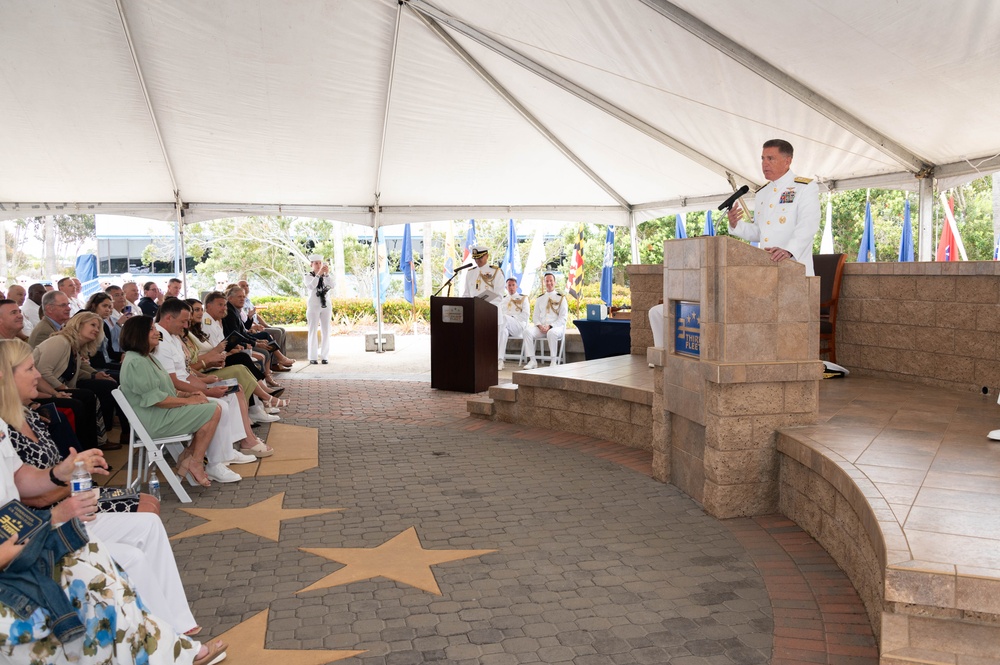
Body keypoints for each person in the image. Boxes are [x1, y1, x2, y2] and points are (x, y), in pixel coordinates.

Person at [154, 298, 268, 473]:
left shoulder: (173, 337)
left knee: (231, 390)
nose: (186, 325)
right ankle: (217, 461)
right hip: (177, 395)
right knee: (220, 404)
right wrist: (207, 390)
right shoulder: (160, 340)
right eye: (184, 321)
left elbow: (185, 373)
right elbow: (175, 381)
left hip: (188, 385)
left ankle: (230, 449)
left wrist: (207, 384)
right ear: (169, 318)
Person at [118, 315, 223, 487]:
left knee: (209, 405)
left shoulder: (145, 357)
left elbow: (164, 390)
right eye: (151, 329)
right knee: (213, 410)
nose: (156, 332)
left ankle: (189, 456)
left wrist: (188, 396)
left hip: (161, 414)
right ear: (138, 334)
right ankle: (194, 460)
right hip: (155, 421)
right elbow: (156, 400)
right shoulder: (136, 362)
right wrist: (190, 402)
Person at [727, 138, 821, 277]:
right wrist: (736, 225)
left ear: (787, 161)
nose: (765, 164)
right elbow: (761, 231)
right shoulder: (762, 192)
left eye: (771, 158)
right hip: (768, 272)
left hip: (795, 269)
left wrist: (789, 251)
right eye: (763, 159)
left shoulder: (804, 187)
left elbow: (808, 225)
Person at [32, 311, 123, 451]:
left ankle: (95, 443)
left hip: (58, 387)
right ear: (79, 325)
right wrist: (62, 388)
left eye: (98, 327)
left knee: (97, 390)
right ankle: (86, 447)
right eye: (92, 325)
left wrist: (94, 374)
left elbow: (77, 369)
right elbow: (42, 372)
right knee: (82, 400)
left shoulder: (75, 346)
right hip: (41, 390)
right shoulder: (60, 341)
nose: (97, 329)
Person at [185, 298, 284, 425]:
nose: (224, 308)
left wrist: (227, 351)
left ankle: (259, 405)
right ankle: (263, 400)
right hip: (205, 370)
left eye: (225, 305)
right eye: (196, 310)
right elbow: (199, 358)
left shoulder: (199, 329)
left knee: (244, 363)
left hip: (213, 364)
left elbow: (237, 335)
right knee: (242, 363)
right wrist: (221, 353)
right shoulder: (205, 323)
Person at [203, 291, 283, 392]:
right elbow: (216, 348)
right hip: (213, 362)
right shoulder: (207, 322)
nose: (224, 308)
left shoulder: (215, 320)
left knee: (245, 358)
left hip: (221, 356)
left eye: (224, 305)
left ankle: (263, 392)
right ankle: (264, 392)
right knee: (243, 358)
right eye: (220, 305)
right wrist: (233, 351)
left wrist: (235, 348)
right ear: (209, 306)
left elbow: (225, 341)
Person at [222, 285, 294, 370]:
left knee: (273, 335)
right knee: (268, 339)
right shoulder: (230, 312)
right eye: (239, 297)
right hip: (239, 342)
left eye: (243, 297)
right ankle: (277, 362)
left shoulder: (235, 310)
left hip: (246, 335)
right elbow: (237, 334)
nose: (242, 299)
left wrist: (251, 320)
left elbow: (242, 330)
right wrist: (256, 342)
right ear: (230, 298)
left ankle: (278, 361)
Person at [462, 245, 505, 360]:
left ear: (486, 256)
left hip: (492, 313)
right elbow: (466, 293)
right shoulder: (470, 273)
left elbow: (499, 295)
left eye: (480, 257)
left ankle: (498, 361)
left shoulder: (496, 272)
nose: (477, 260)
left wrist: (480, 304)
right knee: (478, 343)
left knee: (495, 341)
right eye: (475, 258)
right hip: (475, 315)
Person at [524, 272, 568, 370]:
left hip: (556, 328)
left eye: (551, 281)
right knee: (527, 332)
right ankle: (532, 361)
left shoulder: (561, 298)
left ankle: (553, 361)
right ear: (544, 282)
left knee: (551, 333)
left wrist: (551, 326)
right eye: (546, 281)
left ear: (555, 282)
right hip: (542, 328)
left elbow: (563, 318)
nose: (549, 283)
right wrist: (539, 325)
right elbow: (535, 316)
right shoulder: (540, 298)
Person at [238, 279, 287, 354]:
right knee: (277, 332)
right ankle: (276, 361)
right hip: (252, 329)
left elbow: (256, 316)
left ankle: (282, 356)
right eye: (243, 286)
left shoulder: (248, 300)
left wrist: (267, 326)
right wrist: (255, 326)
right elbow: (244, 322)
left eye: (247, 285)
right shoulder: (240, 304)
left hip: (256, 326)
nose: (246, 287)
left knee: (282, 330)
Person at [305, 255, 332, 365]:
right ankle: (313, 357)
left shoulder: (326, 275)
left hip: (326, 305)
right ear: (311, 264)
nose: (318, 265)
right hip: (313, 306)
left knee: (326, 330)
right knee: (313, 330)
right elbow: (311, 286)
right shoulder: (308, 276)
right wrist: (318, 275)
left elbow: (332, 285)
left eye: (320, 263)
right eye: (316, 263)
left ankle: (325, 356)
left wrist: (326, 274)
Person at [498, 277, 530, 371]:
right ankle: (500, 360)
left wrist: (511, 318)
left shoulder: (523, 298)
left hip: (518, 326)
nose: (511, 287)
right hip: (505, 327)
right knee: (503, 331)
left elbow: (526, 315)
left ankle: (494, 355)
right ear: (506, 287)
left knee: (504, 319)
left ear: (516, 286)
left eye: (513, 285)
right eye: (509, 285)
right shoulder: (502, 300)